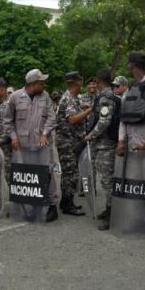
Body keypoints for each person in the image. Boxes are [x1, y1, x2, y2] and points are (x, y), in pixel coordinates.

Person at [4, 68, 59, 222]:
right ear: (33, 84)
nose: (44, 86)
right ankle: (25, 207)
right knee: (25, 176)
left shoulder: (45, 96)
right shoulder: (15, 97)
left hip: (42, 144)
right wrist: (13, 137)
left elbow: (52, 118)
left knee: (47, 173)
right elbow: (7, 120)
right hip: (22, 146)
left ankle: (52, 206)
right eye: (42, 83)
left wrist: (45, 133)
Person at [85, 68, 121, 230]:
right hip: (104, 144)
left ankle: (113, 215)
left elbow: (104, 121)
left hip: (106, 145)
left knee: (107, 181)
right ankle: (109, 210)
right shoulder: (108, 96)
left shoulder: (105, 98)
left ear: (99, 81)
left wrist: (91, 135)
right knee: (106, 180)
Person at [55, 72, 91, 216]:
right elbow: (73, 119)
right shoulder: (69, 98)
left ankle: (66, 202)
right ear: (78, 82)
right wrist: (89, 111)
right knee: (71, 174)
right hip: (67, 142)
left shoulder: (73, 98)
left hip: (70, 141)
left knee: (68, 174)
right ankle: (68, 204)